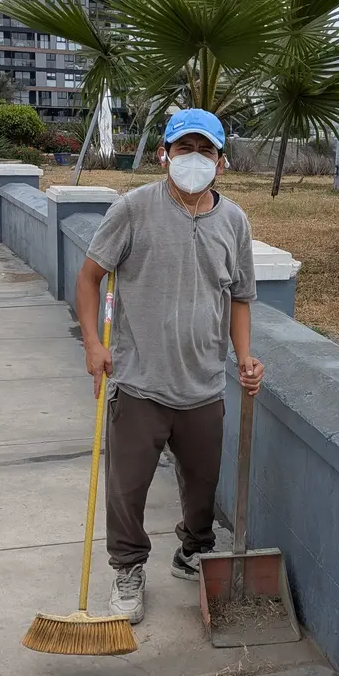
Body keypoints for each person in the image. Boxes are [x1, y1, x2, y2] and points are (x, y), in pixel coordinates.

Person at [75, 108, 264, 626]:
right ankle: (129, 570)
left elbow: (241, 297)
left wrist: (243, 356)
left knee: (203, 487)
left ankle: (193, 550)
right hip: (140, 383)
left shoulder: (235, 222)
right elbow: (90, 278)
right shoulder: (134, 209)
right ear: (165, 154)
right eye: (185, 149)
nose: (195, 160)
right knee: (126, 488)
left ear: (221, 162)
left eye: (206, 151)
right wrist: (93, 343)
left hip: (204, 384)